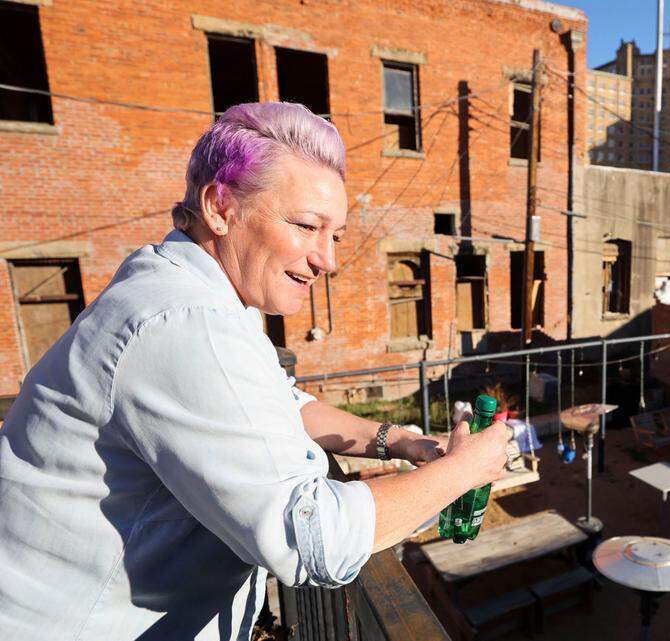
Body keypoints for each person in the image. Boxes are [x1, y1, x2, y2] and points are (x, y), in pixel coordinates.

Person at [0, 102, 512, 640]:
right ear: (220, 206)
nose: (327, 260)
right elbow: (314, 541)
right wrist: (464, 471)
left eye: (334, 236)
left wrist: (399, 440)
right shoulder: (185, 323)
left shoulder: (195, 292)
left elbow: (281, 402)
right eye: (307, 226)